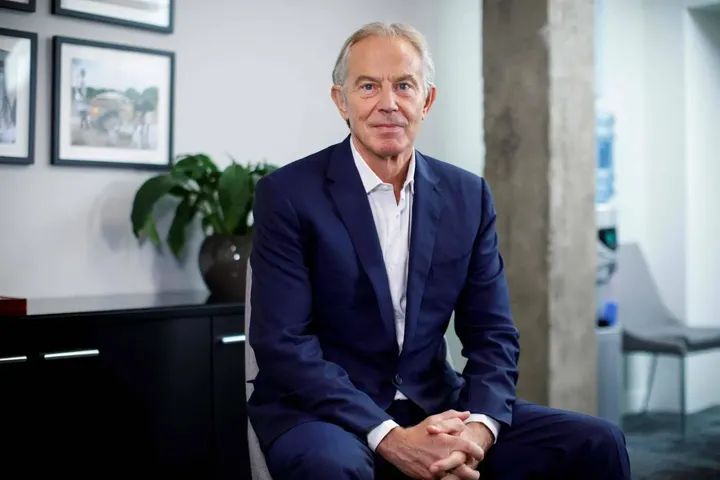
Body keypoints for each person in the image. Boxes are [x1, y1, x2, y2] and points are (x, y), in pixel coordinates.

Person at [248, 22, 631, 480]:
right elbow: (284, 344)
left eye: (404, 86)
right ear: (341, 101)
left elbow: (493, 334)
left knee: (596, 442)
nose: (388, 104)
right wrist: (391, 437)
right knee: (333, 468)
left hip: (434, 403)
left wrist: (477, 432)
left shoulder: (468, 196)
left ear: (426, 100)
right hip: (323, 412)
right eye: (368, 86)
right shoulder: (288, 194)